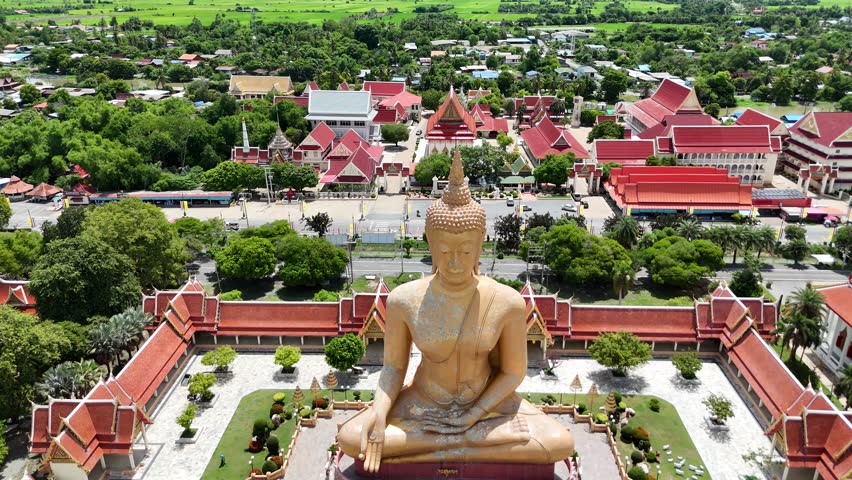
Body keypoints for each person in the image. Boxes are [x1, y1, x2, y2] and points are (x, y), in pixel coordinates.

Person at [337, 151, 573, 472]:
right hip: (424, 403)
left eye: (465, 251)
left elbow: (513, 372)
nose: (454, 262)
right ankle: (469, 441)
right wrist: (379, 414)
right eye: (445, 250)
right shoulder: (405, 299)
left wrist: (475, 416)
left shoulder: (506, 301)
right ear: (429, 242)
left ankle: (455, 439)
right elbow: (393, 368)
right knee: (352, 437)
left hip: (487, 405)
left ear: (480, 243)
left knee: (559, 442)